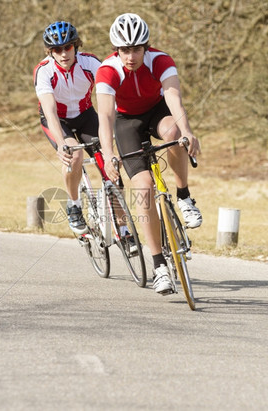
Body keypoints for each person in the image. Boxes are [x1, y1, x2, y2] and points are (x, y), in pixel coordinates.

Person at [96, 13, 203, 295]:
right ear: (116, 51)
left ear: (146, 47)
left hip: (157, 112)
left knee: (173, 135)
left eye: (136, 49)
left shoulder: (160, 61)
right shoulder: (107, 71)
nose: (131, 56)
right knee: (143, 187)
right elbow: (105, 117)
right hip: (127, 123)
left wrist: (187, 131)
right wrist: (108, 155)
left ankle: (183, 197)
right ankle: (158, 267)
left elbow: (173, 98)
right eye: (124, 50)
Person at [33, 21, 101, 234]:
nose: (63, 54)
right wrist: (62, 144)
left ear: (76, 46)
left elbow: (111, 95)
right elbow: (50, 111)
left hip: (85, 114)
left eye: (68, 47)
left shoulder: (90, 64)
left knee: (108, 159)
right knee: (74, 155)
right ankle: (74, 204)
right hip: (57, 120)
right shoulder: (44, 71)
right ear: (50, 52)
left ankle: (123, 227)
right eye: (57, 49)